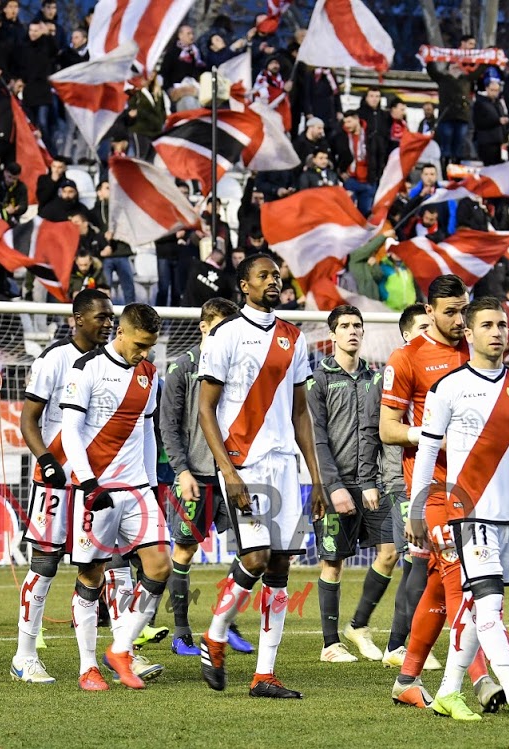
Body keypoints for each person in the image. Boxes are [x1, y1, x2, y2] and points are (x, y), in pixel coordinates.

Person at [410, 296, 509, 723]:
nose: (498, 332)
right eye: (488, 325)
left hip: (506, 516)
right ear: (468, 333)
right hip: (467, 511)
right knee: (489, 603)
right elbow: (427, 453)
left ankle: (447, 690)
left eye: (503, 325)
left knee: (471, 605)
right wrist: (415, 509)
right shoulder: (447, 387)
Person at [197, 254, 327, 699]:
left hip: (285, 464)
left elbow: (299, 412)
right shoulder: (224, 336)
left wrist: (316, 475)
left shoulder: (295, 338)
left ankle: (264, 675)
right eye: (263, 276)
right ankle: (214, 635)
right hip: (244, 462)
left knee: (280, 566)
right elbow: (205, 409)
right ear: (244, 286)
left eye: (276, 275)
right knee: (255, 558)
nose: (273, 281)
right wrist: (228, 472)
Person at [382, 275, 503, 712]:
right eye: (450, 312)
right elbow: (387, 428)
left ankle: (406, 680)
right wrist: (434, 437)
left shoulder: (476, 354)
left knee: (436, 585)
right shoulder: (407, 357)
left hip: (479, 488)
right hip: (433, 489)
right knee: (462, 582)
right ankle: (481, 680)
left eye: (462, 310)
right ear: (428, 311)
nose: (458, 319)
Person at [61, 303, 170, 691]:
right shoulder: (87, 368)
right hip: (96, 490)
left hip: (138, 489)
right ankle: (88, 666)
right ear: (120, 333)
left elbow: (147, 431)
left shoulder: (150, 374)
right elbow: (71, 430)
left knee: (160, 567)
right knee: (91, 576)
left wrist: (153, 483)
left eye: (150, 347)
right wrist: (89, 483)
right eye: (140, 344)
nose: (144, 353)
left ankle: (120, 649)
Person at [11, 289, 114, 684]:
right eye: (101, 317)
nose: (107, 323)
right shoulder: (55, 359)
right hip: (55, 478)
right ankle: (24, 655)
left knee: (103, 565)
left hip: (97, 479)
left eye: (111, 317)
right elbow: (28, 419)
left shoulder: (113, 362)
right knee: (46, 563)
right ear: (78, 319)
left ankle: (116, 652)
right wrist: (46, 460)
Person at [159, 298, 255, 657]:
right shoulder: (182, 367)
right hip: (195, 477)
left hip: (236, 475)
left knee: (251, 548)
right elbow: (167, 425)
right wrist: (181, 470)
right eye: (218, 326)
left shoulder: (240, 367)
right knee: (184, 551)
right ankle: (182, 633)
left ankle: (225, 623)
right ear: (203, 326)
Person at [309, 304, 397, 664]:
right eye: (344, 326)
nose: (352, 331)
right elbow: (316, 439)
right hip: (334, 487)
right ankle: (330, 644)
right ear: (332, 335)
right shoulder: (318, 380)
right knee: (333, 562)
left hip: (372, 484)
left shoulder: (376, 379)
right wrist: (333, 486)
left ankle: (358, 625)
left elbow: (380, 433)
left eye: (357, 325)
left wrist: (373, 480)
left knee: (391, 551)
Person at [380, 305, 438, 668]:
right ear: (406, 334)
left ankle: (407, 645)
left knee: (429, 565)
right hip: (410, 480)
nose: (428, 333)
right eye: (422, 327)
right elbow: (385, 431)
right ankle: (399, 646)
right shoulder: (402, 365)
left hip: (450, 480)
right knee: (415, 563)